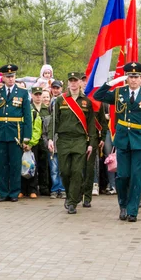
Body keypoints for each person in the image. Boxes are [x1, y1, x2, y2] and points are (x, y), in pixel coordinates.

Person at [94, 63, 141, 221]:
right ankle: (122, 204)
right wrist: (112, 82)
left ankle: (132, 210)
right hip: (122, 140)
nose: (133, 80)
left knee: (136, 177)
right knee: (122, 176)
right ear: (126, 78)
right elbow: (98, 96)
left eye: (136, 77)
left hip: (140, 141)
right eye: (130, 76)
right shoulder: (119, 93)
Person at [0, 64, 32, 203]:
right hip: (0, 132)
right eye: (7, 77)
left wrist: (27, 136)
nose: (10, 79)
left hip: (16, 132)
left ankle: (14, 192)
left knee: (15, 164)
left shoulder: (22, 92)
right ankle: (3, 192)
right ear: (2, 77)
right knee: (2, 164)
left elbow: (27, 115)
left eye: (12, 76)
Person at [48, 72, 96, 214]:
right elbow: (54, 121)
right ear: (68, 83)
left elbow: (91, 125)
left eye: (76, 81)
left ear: (80, 83)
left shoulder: (86, 102)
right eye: (71, 81)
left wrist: (91, 143)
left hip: (80, 140)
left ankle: (72, 202)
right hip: (63, 140)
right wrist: (51, 138)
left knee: (76, 171)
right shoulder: (60, 100)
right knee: (64, 171)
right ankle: (70, 195)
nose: (73, 84)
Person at [20, 87, 45, 199]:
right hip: (21, 144)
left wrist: (31, 143)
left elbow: (37, 130)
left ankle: (32, 189)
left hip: (32, 145)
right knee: (21, 167)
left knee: (32, 167)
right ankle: (22, 189)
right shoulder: (19, 113)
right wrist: (22, 143)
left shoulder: (34, 113)